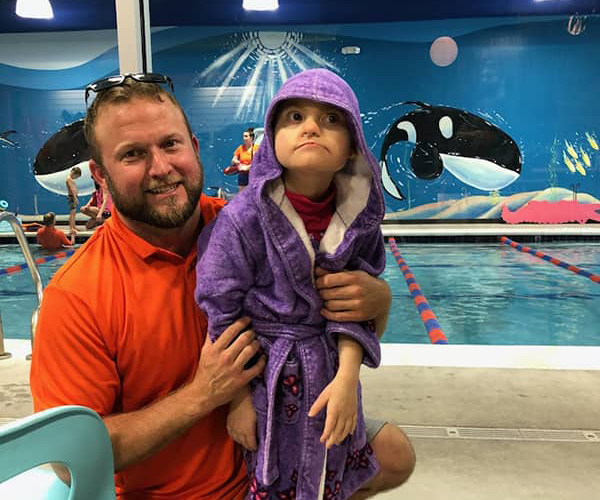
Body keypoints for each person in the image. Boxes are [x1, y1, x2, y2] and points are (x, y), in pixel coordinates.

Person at [29, 74, 411, 500]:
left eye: (170, 144)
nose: (161, 167)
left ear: (193, 147)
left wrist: (379, 300)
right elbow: (67, 461)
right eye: (133, 154)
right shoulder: (78, 295)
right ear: (100, 175)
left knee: (394, 453)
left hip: (278, 432)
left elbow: (329, 317)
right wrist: (202, 395)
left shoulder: (258, 224)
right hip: (187, 490)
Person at [196, 68, 414, 499]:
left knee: (330, 469)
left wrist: (349, 378)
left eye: (331, 120)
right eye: (294, 117)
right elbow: (222, 312)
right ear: (272, 137)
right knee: (269, 478)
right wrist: (238, 401)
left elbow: (356, 308)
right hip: (266, 381)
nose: (312, 126)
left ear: (352, 147)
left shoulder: (359, 219)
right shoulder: (242, 220)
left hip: (332, 373)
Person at [230, 127, 258, 191]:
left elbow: (258, 162)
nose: (244, 138)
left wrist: (248, 167)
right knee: (242, 193)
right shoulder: (240, 148)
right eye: (243, 136)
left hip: (253, 174)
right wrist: (235, 161)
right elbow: (233, 159)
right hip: (243, 174)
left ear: (251, 138)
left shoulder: (257, 148)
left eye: (246, 136)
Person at [65, 166, 81, 236]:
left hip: (72, 197)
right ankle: (71, 227)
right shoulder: (69, 179)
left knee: (73, 213)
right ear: (74, 173)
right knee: (72, 213)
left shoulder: (70, 179)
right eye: (76, 177)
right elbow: (72, 189)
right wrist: (75, 198)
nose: (76, 178)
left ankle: (73, 226)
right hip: (72, 197)